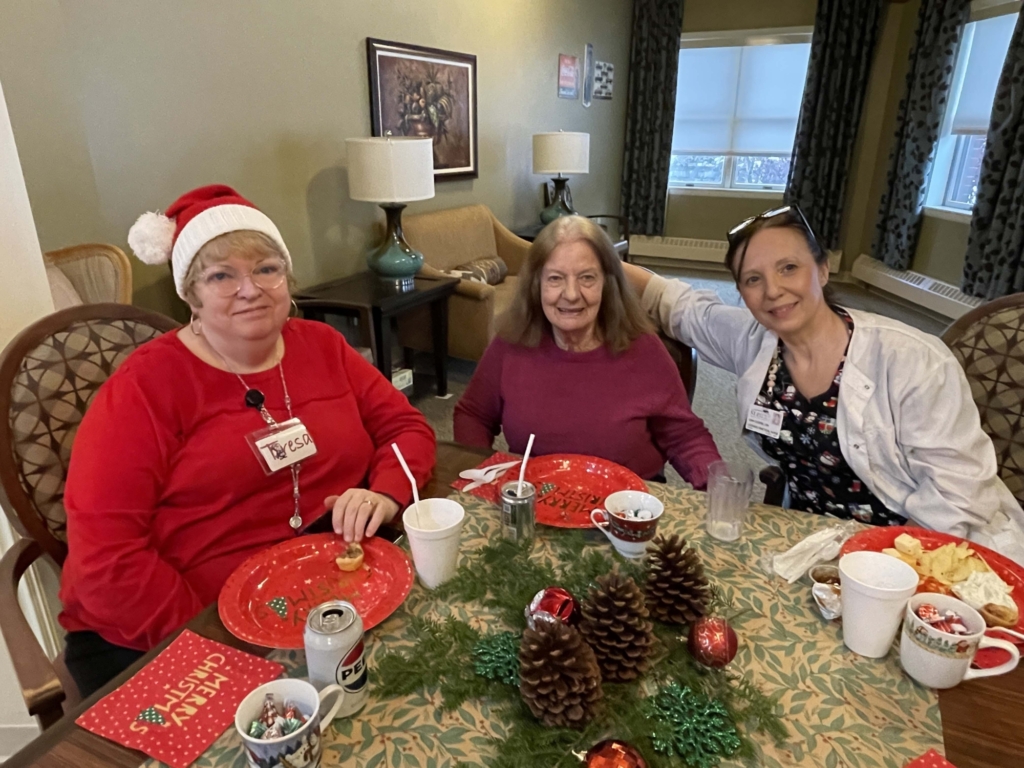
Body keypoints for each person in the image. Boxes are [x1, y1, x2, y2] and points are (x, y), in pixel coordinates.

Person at [58, 185, 436, 695]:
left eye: (266, 268)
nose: (250, 289)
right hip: (182, 622)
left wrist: (384, 494)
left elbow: (406, 428)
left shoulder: (323, 345)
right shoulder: (143, 388)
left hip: (326, 585)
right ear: (190, 294)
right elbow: (106, 560)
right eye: (221, 275)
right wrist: (213, 638)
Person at [622, 205, 1024, 564]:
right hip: (814, 540)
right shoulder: (754, 340)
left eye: (788, 268)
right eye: (753, 279)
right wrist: (595, 252)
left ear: (823, 269)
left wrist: (882, 566)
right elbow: (676, 302)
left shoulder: (912, 360)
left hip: (926, 550)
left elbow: (958, 500)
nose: (773, 290)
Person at [454, 216, 721, 487]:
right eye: (555, 278)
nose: (571, 294)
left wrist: (719, 488)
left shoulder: (644, 349)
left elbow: (685, 436)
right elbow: (473, 415)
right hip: (536, 498)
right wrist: (488, 477)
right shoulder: (511, 344)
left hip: (626, 502)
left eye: (587, 278)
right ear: (536, 285)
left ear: (607, 283)